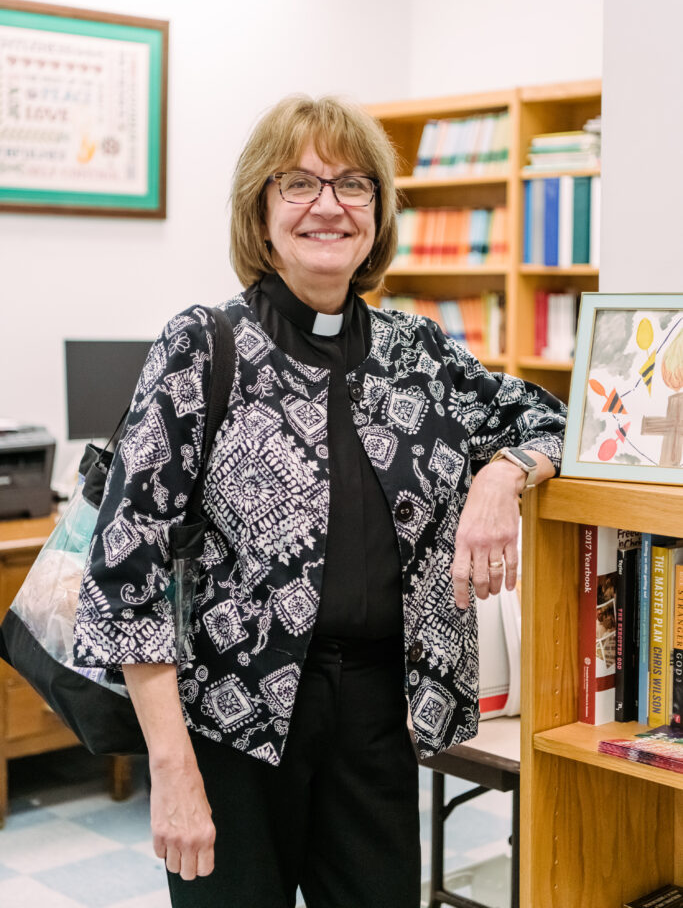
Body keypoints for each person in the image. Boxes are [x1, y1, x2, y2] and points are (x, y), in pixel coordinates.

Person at [74, 95, 566, 908]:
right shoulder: (203, 345)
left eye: (352, 185)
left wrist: (501, 474)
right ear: (260, 214)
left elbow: (547, 417)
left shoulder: (422, 353)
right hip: (231, 720)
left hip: (377, 715)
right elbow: (125, 572)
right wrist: (171, 770)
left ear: (378, 211)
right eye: (297, 183)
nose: (328, 206)